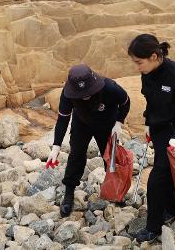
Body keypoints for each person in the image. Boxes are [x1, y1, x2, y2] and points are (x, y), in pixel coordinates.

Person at [127, 34, 175, 243]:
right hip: (161, 132)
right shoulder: (148, 72)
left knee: (156, 180)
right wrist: (148, 123)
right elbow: (151, 101)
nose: (137, 67)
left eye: (139, 62)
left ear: (154, 56)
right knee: (167, 175)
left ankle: (153, 228)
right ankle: (171, 210)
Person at [46, 64, 131, 217]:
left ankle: (116, 192)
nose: (85, 96)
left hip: (107, 126)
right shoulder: (67, 94)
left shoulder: (110, 88)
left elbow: (126, 102)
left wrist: (119, 122)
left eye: (88, 92)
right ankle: (69, 194)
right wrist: (56, 146)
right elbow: (63, 119)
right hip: (82, 124)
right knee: (76, 156)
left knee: (110, 159)